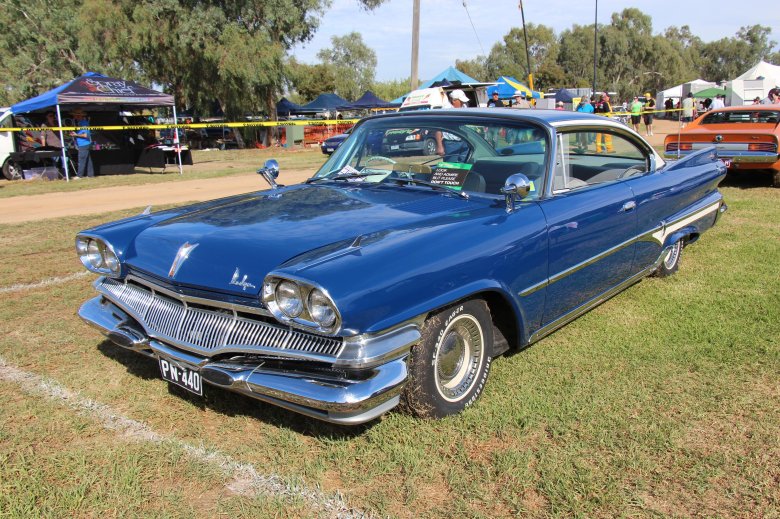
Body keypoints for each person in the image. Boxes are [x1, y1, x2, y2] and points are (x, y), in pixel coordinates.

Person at [435, 90, 468, 159]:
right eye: (461, 101)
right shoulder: (445, 110)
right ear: (454, 101)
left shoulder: (464, 107)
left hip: (464, 141)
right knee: (451, 168)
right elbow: (438, 128)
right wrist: (440, 146)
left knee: (465, 166)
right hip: (451, 144)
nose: (463, 103)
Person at [70, 108, 94, 178]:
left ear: (78, 116)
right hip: (85, 143)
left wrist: (75, 135)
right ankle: (91, 175)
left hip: (84, 144)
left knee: (81, 160)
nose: (74, 117)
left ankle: (79, 175)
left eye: (74, 115)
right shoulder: (80, 123)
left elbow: (85, 135)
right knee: (88, 160)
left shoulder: (84, 123)